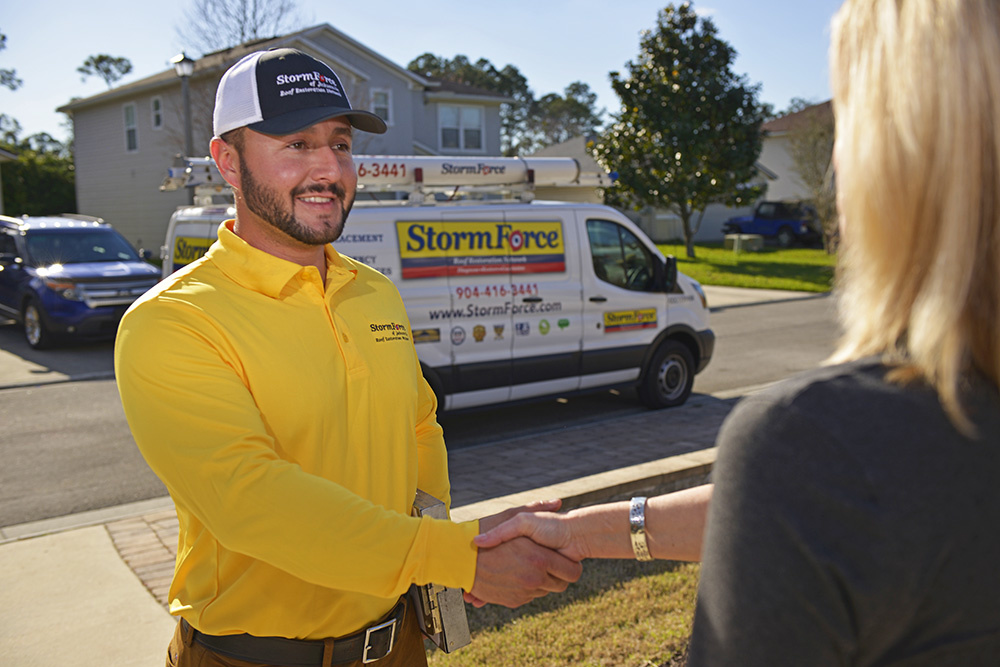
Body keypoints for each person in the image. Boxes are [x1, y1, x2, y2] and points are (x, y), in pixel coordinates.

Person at [477, 0, 1000, 663]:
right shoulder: (840, 464)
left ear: (894, 157)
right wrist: (580, 533)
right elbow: (805, 509)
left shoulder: (824, 441)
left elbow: (817, 490)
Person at [115, 47, 581, 667]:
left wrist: (441, 562)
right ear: (228, 161)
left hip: (397, 644)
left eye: (339, 144)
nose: (329, 169)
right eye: (297, 145)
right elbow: (251, 501)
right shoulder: (173, 321)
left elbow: (418, 429)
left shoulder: (373, 290)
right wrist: (452, 554)